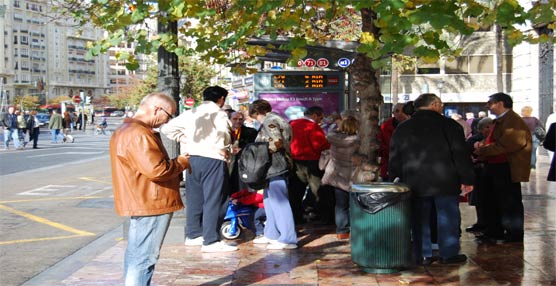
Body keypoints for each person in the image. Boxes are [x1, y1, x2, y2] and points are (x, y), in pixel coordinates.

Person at [109, 92, 191, 286]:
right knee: (144, 258)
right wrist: (181, 162)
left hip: (142, 199)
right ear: (156, 109)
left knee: (136, 255)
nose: (166, 121)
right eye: (168, 115)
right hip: (151, 202)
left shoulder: (126, 130)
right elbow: (157, 170)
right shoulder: (138, 133)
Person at [389, 93, 474, 265]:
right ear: (434, 104)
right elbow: (460, 154)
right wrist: (467, 179)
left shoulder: (403, 127)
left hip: (414, 180)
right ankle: (448, 253)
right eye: (441, 104)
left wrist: (396, 176)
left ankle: (423, 253)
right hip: (445, 180)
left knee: (419, 219)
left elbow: (395, 156)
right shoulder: (450, 125)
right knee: (448, 217)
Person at [161, 86, 237, 253]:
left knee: (195, 198)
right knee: (215, 199)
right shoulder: (219, 113)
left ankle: (194, 235)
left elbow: (166, 128)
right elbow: (224, 133)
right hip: (214, 158)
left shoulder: (191, 112)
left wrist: (184, 139)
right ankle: (211, 240)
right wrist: (225, 148)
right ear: (222, 99)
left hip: (191, 158)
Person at [475, 92, 532, 244]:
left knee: (509, 202)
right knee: (493, 200)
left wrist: (483, 150)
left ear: (500, 104)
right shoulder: (500, 121)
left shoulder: (513, 121)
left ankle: (513, 233)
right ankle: (495, 231)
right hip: (494, 165)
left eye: (491, 103)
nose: (488, 106)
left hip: (506, 167)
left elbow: (508, 144)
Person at [249, 99, 298, 250]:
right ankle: (272, 233)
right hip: (276, 165)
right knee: (269, 200)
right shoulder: (278, 119)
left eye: (255, 116)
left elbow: (276, 142)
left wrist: (260, 155)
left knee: (279, 201)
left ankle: (288, 238)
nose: (256, 120)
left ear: (257, 113)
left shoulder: (269, 121)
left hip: (275, 164)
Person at [289, 106, 331, 225]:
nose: (321, 121)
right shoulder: (313, 126)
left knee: (295, 192)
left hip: (295, 162)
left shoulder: (292, 124)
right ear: (314, 115)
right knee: (318, 190)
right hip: (312, 161)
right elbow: (320, 144)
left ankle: (296, 217)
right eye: (320, 118)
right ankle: (322, 217)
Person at [321, 116, 360, 240]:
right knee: (356, 204)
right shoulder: (358, 141)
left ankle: (342, 231)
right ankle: (357, 229)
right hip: (354, 175)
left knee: (340, 205)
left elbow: (332, 132)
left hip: (338, 176)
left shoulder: (333, 139)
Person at [464, 117, 493, 233]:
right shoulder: (474, 140)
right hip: (479, 172)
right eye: (486, 127)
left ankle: (490, 223)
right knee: (479, 199)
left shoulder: (496, 138)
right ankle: (481, 222)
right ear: (480, 128)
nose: (489, 129)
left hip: (491, 171)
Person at [378, 103, 409, 181]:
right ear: (393, 113)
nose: (400, 114)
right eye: (397, 111)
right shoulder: (384, 127)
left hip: (408, 168)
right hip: (389, 166)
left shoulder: (411, 126)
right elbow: (380, 145)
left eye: (403, 111)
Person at [229, 111, 258, 194]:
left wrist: (242, 150)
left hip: (243, 165)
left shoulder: (251, 132)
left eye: (240, 119)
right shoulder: (224, 132)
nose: (238, 121)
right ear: (229, 119)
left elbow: (255, 148)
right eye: (235, 119)